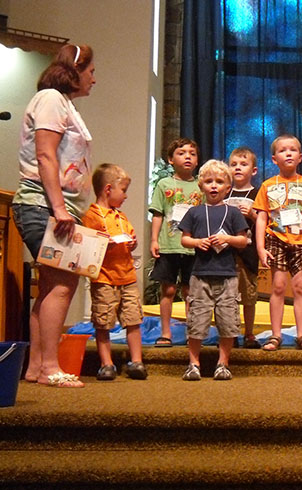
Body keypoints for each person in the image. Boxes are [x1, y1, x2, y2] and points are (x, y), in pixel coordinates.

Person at [12, 43, 96, 388]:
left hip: (56, 207)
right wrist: (60, 208)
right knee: (62, 284)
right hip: (43, 206)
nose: (95, 78)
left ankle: (36, 367)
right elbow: (46, 156)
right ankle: (50, 366)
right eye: (90, 71)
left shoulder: (65, 104)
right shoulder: (50, 99)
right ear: (74, 70)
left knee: (51, 285)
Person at [179, 160, 248, 381]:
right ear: (201, 185)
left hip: (227, 275)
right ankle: (194, 363)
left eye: (219, 182)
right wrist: (198, 242)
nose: (214, 186)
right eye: (209, 181)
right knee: (197, 319)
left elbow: (243, 240)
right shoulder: (194, 212)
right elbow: (184, 239)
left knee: (228, 320)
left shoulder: (233, 212)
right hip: (200, 275)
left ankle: (223, 363)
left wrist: (227, 238)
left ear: (228, 186)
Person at [254, 134, 302, 351]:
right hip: (276, 239)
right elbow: (262, 218)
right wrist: (260, 248)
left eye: (293, 150)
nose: (288, 153)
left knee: (300, 287)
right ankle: (276, 335)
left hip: (301, 242)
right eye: (283, 150)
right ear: (275, 159)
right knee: (278, 286)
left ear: (300, 156)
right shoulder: (267, 185)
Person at [81, 164, 147, 381]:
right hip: (104, 277)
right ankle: (106, 362)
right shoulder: (91, 216)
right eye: (124, 190)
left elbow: (129, 241)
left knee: (133, 318)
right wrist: (103, 243)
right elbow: (87, 245)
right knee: (103, 320)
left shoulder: (121, 216)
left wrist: (132, 243)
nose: (126, 196)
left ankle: (136, 361)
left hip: (127, 276)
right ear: (108, 189)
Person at [148, 138, 203, 347]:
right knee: (168, 290)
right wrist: (154, 240)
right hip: (168, 244)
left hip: (193, 246)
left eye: (192, 153)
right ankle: (166, 332)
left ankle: (192, 332)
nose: (187, 156)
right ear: (171, 159)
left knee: (191, 290)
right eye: (182, 153)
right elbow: (158, 214)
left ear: (197, 160)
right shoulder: (164, 184)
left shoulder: (201, 186)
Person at [225, 147, 260, 349]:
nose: (238, 168)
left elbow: (266, 223)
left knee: (248, 295)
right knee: (229, 296)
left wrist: (253, 215)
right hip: (227, 253)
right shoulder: (223, 192)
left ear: (253, 170)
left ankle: (249, 333)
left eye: (243, 164)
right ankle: (232, 331)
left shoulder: (257, 193)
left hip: (248, 252)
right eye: (234, 164)